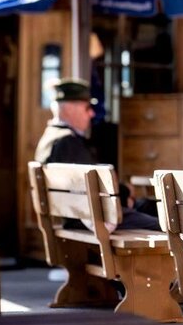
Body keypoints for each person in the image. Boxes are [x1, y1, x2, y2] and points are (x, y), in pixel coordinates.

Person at [35, 78, 160, 231]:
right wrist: (125, 192)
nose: (92, 114)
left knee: (149, 206)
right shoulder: (67, 142)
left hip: (80, 213)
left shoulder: (51, 137)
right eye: (87, 108)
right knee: (163, 225)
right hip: (89, 217)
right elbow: (97, 186)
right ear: (69, 109)